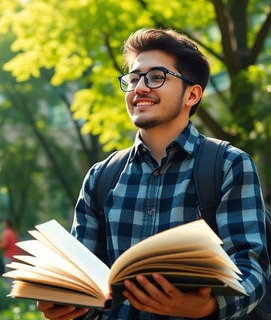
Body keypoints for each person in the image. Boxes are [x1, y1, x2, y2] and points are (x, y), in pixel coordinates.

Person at [37, 28, 270, 319]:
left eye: (156, 77)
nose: (139, 88)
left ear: (192, 94)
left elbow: (252, 269)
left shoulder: (229, 165)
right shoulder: (101, 176)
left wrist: (207, 308)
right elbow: (86, 283)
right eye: (133, 78)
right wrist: (65, 301)